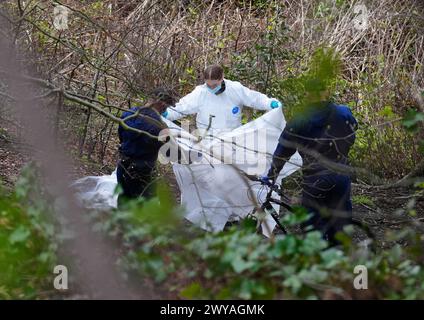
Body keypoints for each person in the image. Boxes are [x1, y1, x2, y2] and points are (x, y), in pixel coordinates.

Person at [261, 99, 358, 245]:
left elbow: (283, 152)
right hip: (341, 176)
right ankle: (340, 259)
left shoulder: (299, 120)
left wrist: (271, 176)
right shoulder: (344, 112)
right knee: (340, 224)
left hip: (315, 179)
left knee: (313, 228)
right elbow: (351, 135)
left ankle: (318, 260)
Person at [162, 64, 282, 133]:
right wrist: (167, 114)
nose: (211, 87)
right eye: (208, 85)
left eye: (214, 85)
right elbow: (182, 108)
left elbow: (254, 98)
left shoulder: (235, 89)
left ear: (222, 78)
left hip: (232, 139)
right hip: (207, 140)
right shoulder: (200, 93)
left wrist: (270, 103)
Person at [116, 88, 176, 207]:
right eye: (167, 107)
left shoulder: (129, 114)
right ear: (162, 104)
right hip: (142, 173)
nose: (166, 110)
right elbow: (170, 153)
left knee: (123, 200)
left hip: (123, 167)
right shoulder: (159, 127)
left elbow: (121, 137)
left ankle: (120, 225)